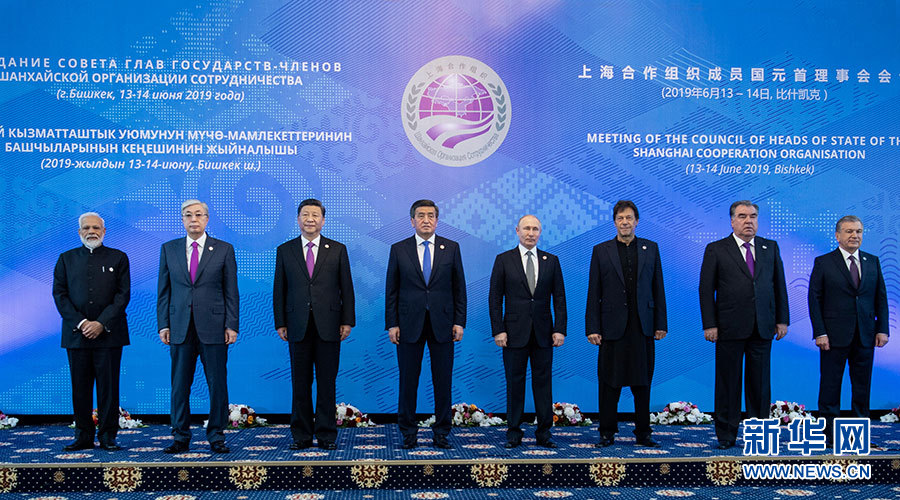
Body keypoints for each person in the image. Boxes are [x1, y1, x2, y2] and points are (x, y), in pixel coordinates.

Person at [699, 200, 789, 449]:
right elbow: (706, 290)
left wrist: (782, 319)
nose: (748, 221)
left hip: (763, 326)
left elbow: (779, 286)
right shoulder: (716, 249)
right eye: (742, 216)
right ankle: (726, 435)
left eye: (753, 216)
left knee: (760, 385)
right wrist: (710, 324)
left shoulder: (770, 247)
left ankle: (759, 435)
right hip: (728, 327)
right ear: (732, 221)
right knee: (728, 383)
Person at [157, 200, 239, 454]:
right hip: (179, 326)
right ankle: (180, 436)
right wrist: (163, 324)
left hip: (215, 327)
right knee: (179, 385)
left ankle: (216, 435)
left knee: (217, 384)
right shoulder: (169, 249)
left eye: (198, 215)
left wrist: (231, 325)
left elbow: (231, 291)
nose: (193, 219)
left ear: (207, 219)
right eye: (188, 215)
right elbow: (163, 291)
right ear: (182, 219)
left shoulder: (224, 249)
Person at [273, 199, 355, 451]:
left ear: (323, 220)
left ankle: (327, 434)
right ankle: (301, 435)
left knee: (327, 382)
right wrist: (280, 322)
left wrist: (347, 321)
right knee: (300, 383)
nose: (310, 219)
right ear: (298, 219)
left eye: (315, 215)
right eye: (305, 214)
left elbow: (347, 288)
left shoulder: (337, 249)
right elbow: (279, 289)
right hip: (296, 325)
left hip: (329, 325)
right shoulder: (285, 250)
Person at [385, 199, 466, 449]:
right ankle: (408, 432)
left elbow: (459, 288)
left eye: (431, 215)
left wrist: (459, 321)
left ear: (437, 221)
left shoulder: (451, 248)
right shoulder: (399, 249)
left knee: (443, 381)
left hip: (443, 324)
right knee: (408, 380)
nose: (426, 220)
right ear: (412, 221)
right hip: (408, 324)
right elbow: (391, 290)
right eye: (421, 215)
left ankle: (442, 432)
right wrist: (392, 324)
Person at [586, 200, 667, 448]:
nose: (625, 222)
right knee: (609, 383)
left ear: (636, 221)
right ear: (614, 222)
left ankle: (643, 432)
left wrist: (661, 323)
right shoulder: (601, 250)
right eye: (620, 218)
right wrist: (592, 327)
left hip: (643, 326)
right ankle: (606, 432)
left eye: (629, 218)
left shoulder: (651, 248)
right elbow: (594, 291)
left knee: (642, 382)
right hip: (611, 328)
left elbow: (658, 288)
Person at [52, 212, 130, 452]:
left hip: (109, 334)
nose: (91, 231)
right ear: (79, 232)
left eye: (96, 227)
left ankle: (108, 436)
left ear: (104, 231)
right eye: (86, 228)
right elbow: (60, 295)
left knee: (109, 388)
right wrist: (82, 323)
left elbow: (122, 295)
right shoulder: (66, 259)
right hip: (76, 335)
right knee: (80, 388)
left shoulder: (119, 257)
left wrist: (101, 323)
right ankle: (83, 435)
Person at [808, 215, 889, 443]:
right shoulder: (824, 262)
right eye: (849, 231)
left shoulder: (872, 261)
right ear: (838, 235)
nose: (855, 235)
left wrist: (882, 329)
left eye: (858, 231)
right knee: (830, 385)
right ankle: (829, 435)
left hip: (865, 335)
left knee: (862, 387)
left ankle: (859, 434)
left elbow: (881, 298)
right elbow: (814, 299)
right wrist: (820, 332)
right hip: (833, 336)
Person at [488, 215, 566, 449]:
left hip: (544, 333)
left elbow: (559, 298)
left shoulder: (551, 260)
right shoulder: (503, 260)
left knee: (543, 384)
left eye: (535, 229)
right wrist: (498, 330)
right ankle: (513, 432)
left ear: (540, 232)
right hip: (513, 333)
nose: (531, 233)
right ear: (517, 231)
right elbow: (495, 298)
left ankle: (544, 433)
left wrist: (559, 329)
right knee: (515, 383)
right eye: (526, 228)